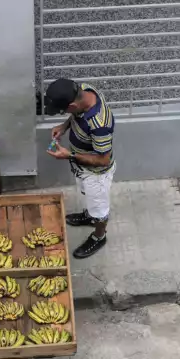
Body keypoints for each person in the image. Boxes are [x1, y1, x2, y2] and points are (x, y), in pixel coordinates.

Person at [43, 78, 115, 259]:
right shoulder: (84, 89)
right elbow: (75, 115)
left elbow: (103, 160)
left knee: (100, 209)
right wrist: (64, 126)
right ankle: (89, 216)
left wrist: (70, 156)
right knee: (88, 197)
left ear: (73, 105)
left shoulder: (100, 125)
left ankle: (99, 235)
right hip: (82, 167)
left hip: (96, 174)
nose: (63, 113)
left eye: (63, 111)